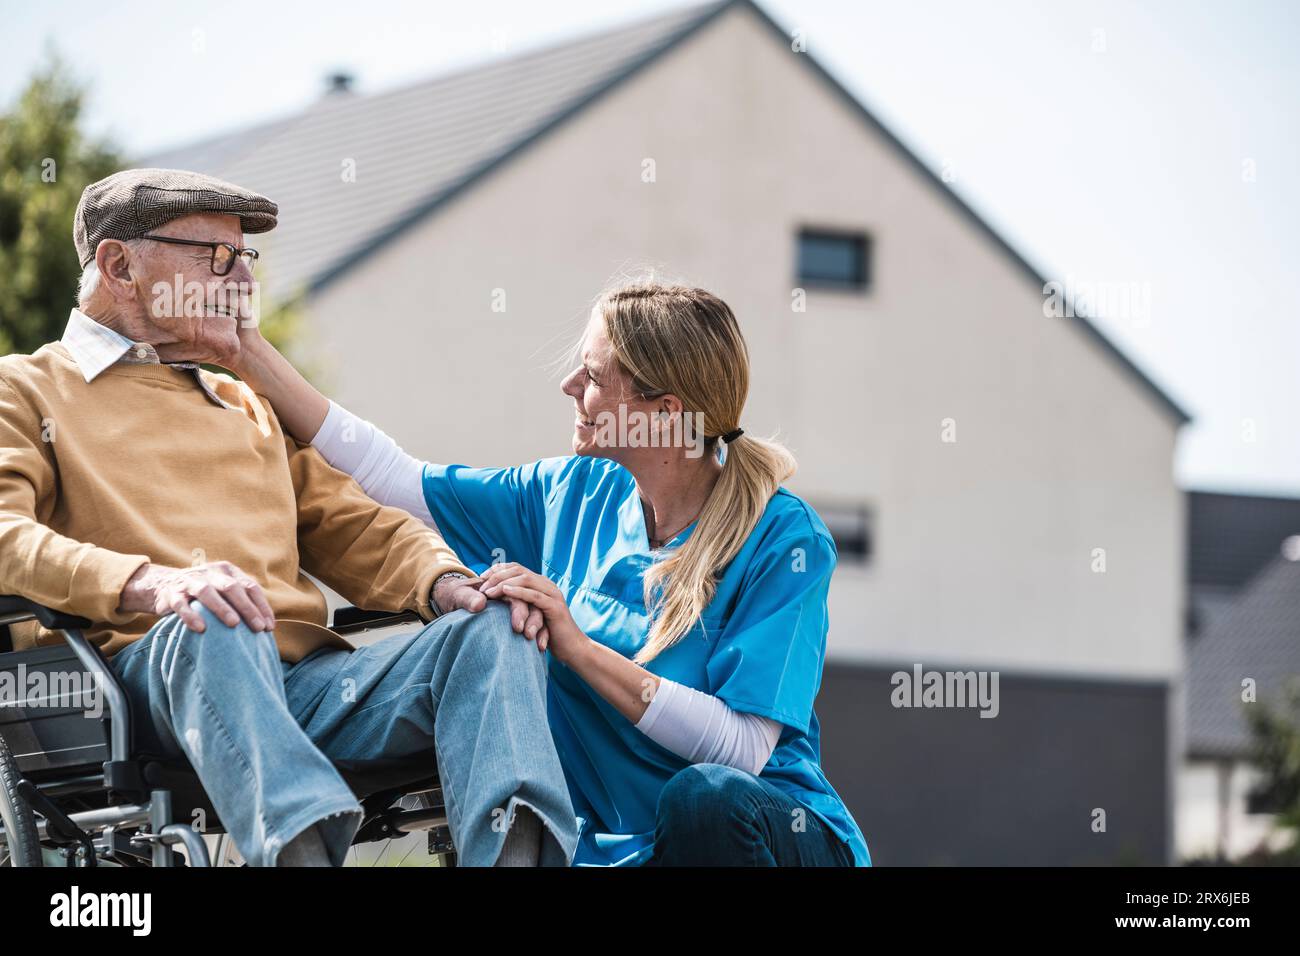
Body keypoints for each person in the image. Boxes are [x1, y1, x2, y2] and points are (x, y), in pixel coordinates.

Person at [0, 168, 577, 867]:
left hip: (300, 687)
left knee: (492, 626)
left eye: (247, 257)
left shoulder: (243, 404)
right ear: (120, 264)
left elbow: (352, 523)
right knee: (213, 614)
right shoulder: (24, 388)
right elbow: (7, 537)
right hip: (139, 681)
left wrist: (444, 580)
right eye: (216, 256)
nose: (243, 277)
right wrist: (154, 583)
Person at [232, 279, 871, 866]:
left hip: (762, 835)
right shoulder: (571, 491)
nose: (569, 385)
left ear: (662, 410)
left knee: (703, 800)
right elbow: (394, 477)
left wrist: (578, 649)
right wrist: (245, 352)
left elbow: (741, 750)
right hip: (620, 852)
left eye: (593, 375)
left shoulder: (785, 536)